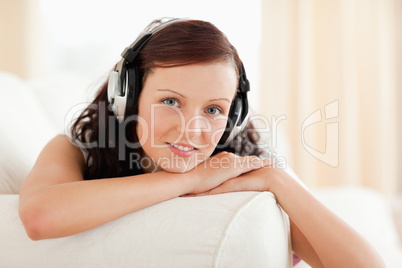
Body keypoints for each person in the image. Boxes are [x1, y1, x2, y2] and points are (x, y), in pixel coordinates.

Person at [19, 18, 385, 267]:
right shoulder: (76, 149)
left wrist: (278, 179)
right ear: (127, 97)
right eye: (171, 101)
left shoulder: (242, 168)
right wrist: (189, 179)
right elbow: (39, 217)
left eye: (213, 109)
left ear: (233, 117)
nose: (193, 129)